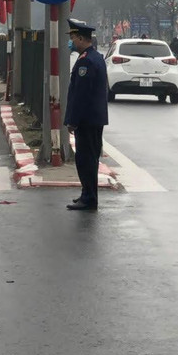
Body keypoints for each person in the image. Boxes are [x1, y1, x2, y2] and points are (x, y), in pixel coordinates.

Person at [64, 18, 109, 212]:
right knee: (89, 158)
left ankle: (89, 198)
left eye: (73, 38)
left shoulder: (87, 62)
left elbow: (81, 96)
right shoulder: (94, 57)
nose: (71, 42)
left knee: (86, 160)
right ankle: (87, 194)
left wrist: (73, 121)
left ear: (81, 38)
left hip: (87, 120)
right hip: (94, 118)